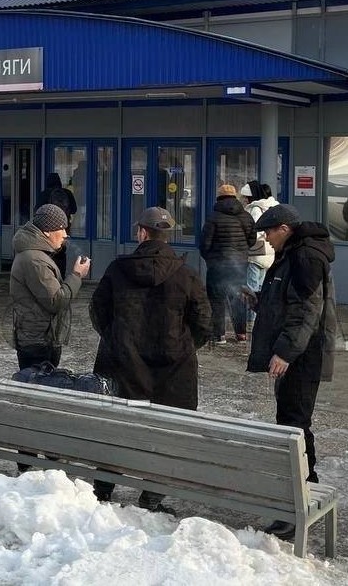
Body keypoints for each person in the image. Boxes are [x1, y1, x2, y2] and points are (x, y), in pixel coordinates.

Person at [88, 206, 211, 513]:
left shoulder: (118, 270)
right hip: (172, 375)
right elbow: (204, 323)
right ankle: (151, 497)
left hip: (121, 369)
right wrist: (182, 348)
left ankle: (103, 488)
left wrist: (117, 340)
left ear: (142, 233)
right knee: (165, 434)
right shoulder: (187, 275)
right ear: (167, 237)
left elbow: (98, 311)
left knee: (115, 428)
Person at [239, 204, 338, 540]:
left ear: (284, 228)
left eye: (268, 232)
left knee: (295, 425)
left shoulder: (306, 256)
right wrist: (259, 300)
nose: (266, 239)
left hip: (301, 358)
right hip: (294, 355)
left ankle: (301, 501)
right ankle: (300, 494)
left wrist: (284, 353)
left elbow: (307, 310)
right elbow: (286, 301)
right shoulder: (291, 253)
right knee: (290, 423)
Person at [9, 203, 90, 474]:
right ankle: (32, 459)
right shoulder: (34, 259)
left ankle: (33, 456)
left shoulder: (36, 255)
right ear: (47, 231)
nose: (65, 235)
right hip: (38, 340)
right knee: (39, 399)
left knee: (38, 397)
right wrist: (77, 276)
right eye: (61, 229)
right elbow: (56, 300)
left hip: (38, 335)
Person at [200, 183, 256, 343]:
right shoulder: (246, 216)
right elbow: (252, 239)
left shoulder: (213, 217)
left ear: (219, 198)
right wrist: (241, 253)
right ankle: (241, 334)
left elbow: (205, 244)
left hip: (218, 265)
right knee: (238, 297)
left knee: (216, 298)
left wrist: (211, 259)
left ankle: (219, 335)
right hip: (239, 264)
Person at [241, 181, 279, 328]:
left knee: (252, 287)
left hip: (257, 252)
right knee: (262, 286)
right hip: (269, 251)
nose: (244, 200)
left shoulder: (256, 208)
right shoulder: (272, 206)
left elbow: (256, 230)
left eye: (246, 197)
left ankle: (252, 318)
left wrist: (248, 238)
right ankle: (260, 315)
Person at [36, 172, 78, 275]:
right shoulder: (67, 193)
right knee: (61, 253)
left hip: (47, 230)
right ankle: (61, 276)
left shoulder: (44, 194)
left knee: (47, 253)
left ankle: (50, 276)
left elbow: (37, 211)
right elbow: (74, 210)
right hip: (63, 228)